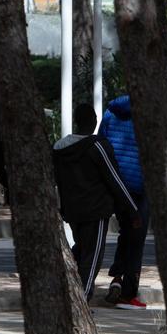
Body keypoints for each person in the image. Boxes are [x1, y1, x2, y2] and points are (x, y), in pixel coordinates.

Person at [52, 104, 140, 303]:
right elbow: (114, 179)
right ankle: (82, 302)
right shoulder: (98, 146)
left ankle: (70, 294)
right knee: (92, 259)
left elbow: (58, 180)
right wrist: (132, 210)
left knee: (82, 251)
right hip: (96, 210)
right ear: (93, 122)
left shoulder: (59, 148)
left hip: (72, 211)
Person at [98, 94, 149, 309]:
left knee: (125, 231)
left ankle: (117, 276)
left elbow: (102, 142)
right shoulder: (148, 115)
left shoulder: (110, 113)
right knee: (136, 237)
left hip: (117, 183)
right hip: (141, 185)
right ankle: (128, 293)